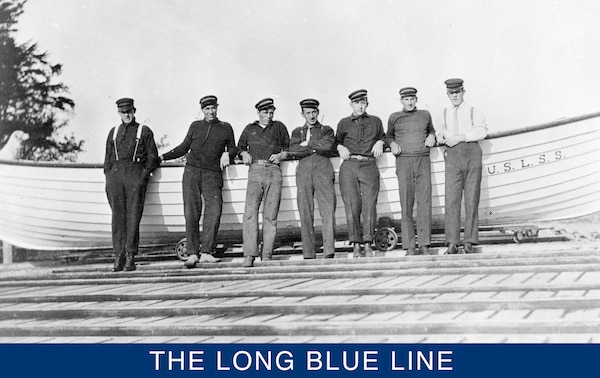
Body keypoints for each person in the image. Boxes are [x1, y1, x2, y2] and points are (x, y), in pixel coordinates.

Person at [160, 95, 236, 268]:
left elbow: (233, 147)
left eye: (213, 108)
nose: (211, 111)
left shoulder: (225, 127)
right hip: (192, 172)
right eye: (207, 109)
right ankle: (193, 253)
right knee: (191, 212)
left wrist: (227, 154)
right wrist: (163, 157)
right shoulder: (195, 126)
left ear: (217, 108)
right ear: (202, 110)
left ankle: (207, 252)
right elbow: (183, 147)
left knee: (214, 210)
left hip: (212, 174)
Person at [104, 98, 159, 272]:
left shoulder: (144, 131)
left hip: (135, 174)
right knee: (117, 217)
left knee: (133, 217)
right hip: (116, 177)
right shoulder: (114, 132)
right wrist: (109, 176)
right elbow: (107, 160)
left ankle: (130, 256)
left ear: (134, 111)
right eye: (123, 112)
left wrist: (142, 177)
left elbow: (153, 157)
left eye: (129, 111)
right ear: (118, 113)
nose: (127, 115)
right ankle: (118, 255)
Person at [436, 78, 488, 254]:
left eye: (457, 92)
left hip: (471, 153)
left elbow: (481, 131)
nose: (455, 96)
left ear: (463, 92)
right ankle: (452, 241)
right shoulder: (443, 113)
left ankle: (469, 241)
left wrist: (461, 136)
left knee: (472, 197)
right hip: (452, 157)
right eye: (451, 93)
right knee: (451, 199)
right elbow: (439, 132)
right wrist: (441, 137)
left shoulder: (474, 111)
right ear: (447, 94)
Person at [238, 98, 290, 267]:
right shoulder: (249, 129)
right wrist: (242, 154)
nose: (269, 116)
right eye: (265, 112)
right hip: (255, 171)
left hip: (274, 172)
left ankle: (267, 254)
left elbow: (289, 148)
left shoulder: (279, 127)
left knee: (270, 215)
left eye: (271, 113)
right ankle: (249, 254)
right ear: (258, 113)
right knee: (250, 213)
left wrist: (281, 155)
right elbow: (238, 148)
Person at [386, 87, 436, 256]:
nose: (409, 102)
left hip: (422, 159)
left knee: (424, 202)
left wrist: (431, 136)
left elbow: (431, 130)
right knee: (406, 203)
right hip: (404, 160)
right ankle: (409, 246)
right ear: (401, 100)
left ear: (416, 100)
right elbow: (388, 136)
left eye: (412, 99)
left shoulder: (425, 115)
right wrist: (392, 144)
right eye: (406, 99)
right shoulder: (394, 117)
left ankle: (424, 245)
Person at [335, 89, 385, 258]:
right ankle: (356, 245)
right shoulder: (343, 123)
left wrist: (380, 141)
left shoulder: (375, 121)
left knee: (369, 205)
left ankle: (368, 243)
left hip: (369, 165)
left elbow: (384, 137)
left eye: (363, 102)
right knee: (352, 205)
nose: (360, 106)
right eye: (357, 103)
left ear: (367, 104)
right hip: (349, 166)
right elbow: (336, 141)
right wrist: (339, 146)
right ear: (351, 105)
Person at [288, 98, 336, 259]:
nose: (311, 116)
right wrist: (314, 148)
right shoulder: (296, 132)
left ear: (318, 112)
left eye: (314, 112)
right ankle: (309, 253)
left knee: (327, 210)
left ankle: (329, 251)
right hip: (304, 171)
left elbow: (327, 146)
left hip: (323, 169)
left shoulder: (326, 130)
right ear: (302, 114)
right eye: (307, 113)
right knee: (305, 210)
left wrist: (307, 143)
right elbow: (294, 150)